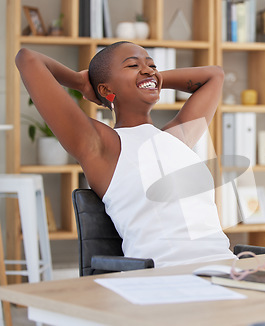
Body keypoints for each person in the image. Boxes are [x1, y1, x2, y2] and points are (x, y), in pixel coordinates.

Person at [16, 41, 236, 267]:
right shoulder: (101, 145)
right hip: (168, 278)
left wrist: (151, 78)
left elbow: (214, 75)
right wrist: (81, 82)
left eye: (152, 65)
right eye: (132, 65)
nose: (149, 69)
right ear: (106, 89)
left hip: (227, 269)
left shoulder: (176, 138)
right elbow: (28, 59)